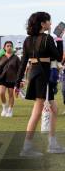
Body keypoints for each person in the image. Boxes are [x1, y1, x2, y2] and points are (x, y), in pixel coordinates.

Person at [15, 12, 64, 157]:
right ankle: (27, 147)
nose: (50, 24)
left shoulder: (28, 40)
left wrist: (17, 83)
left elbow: (23, 62)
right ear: (43, 24)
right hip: (44, 75)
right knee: (37, 111)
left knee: (54, 108)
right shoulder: (47, 38)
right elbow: (58, 56)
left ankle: (52, 143)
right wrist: (59, 39)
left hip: (35, 74)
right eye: (49, 21)